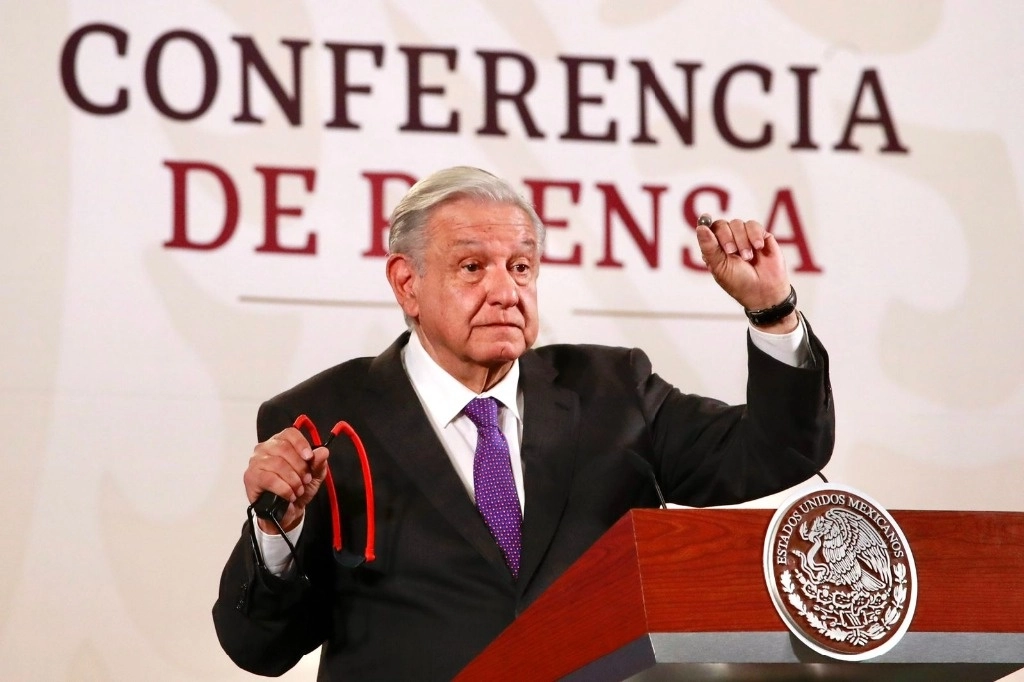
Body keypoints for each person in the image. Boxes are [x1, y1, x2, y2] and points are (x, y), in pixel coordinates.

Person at [213, 166, 834, 680]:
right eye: (472, 267)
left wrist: (771, 311)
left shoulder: (614, 391)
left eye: (520, 267)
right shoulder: (321, 418)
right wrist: (277, 533)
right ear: (407, 284)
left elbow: (780, 451)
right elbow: (259, 647)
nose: (506, 292)